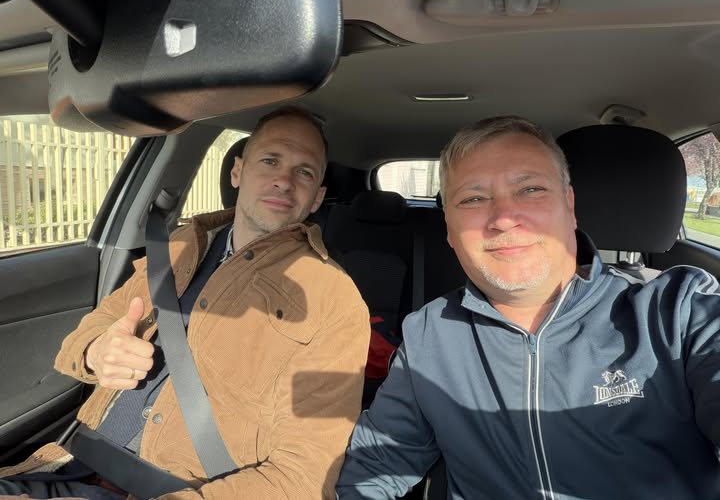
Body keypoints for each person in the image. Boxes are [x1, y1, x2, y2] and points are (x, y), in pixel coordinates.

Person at [336, 116, 720, 499]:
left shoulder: (676, 309)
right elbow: (373, 467)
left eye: (531, 189)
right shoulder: (428, 334)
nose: (504, 219)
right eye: (473, 199)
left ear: (569, 205)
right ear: (449, 228)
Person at [0, 106, 370, 499]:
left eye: (305, 172)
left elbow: (303, 478)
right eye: (270, 160)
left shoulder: (335, 302)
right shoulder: (178, 246)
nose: (284, 180)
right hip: (68, 463)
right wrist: (97, 350)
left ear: (317, 198)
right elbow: (96, 325)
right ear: (237, 172)